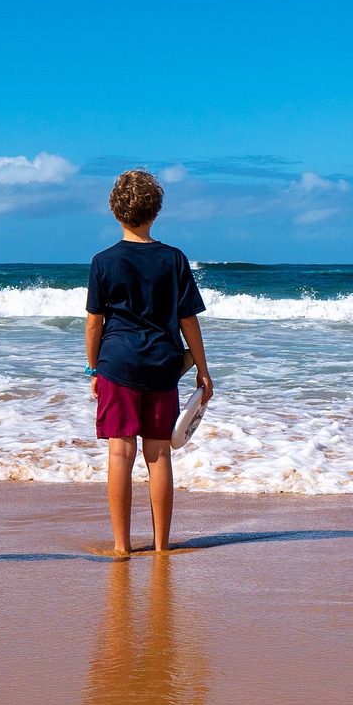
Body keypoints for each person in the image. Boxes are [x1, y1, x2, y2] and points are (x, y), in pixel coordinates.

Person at [85, 168, 212, 555]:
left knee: (120, 453)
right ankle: (160, 547)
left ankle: (122, 547)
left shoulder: (103, 261)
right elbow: (188, 320)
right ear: (156, 211)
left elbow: (94, 324)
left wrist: (94, 369)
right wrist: (203, 373)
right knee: (158, 455)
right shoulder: (174, 259)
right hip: (162, 364)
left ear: (115, 212)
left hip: (117, 364)